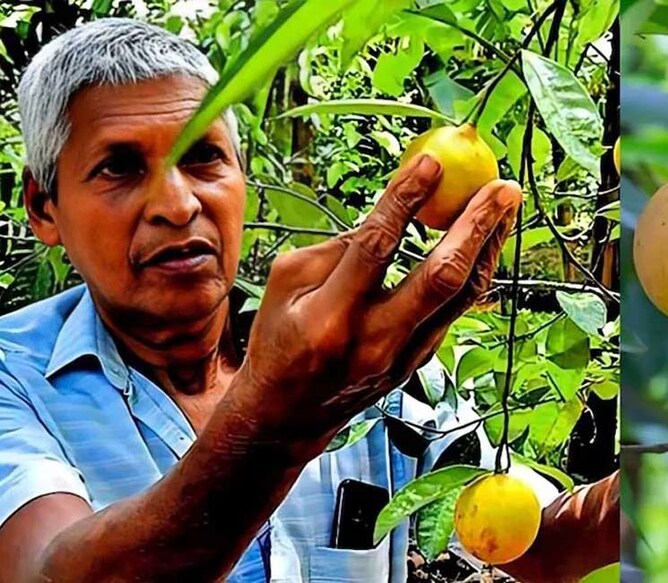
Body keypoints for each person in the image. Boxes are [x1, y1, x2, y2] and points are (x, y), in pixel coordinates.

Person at [0, 17, 618, 583]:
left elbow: (529, 539)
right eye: (119, 167)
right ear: (42, 206)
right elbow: (49, 571)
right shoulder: (13, 374)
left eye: (205, 158)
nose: (179, 205)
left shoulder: (362, 353)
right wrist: (282, 422)